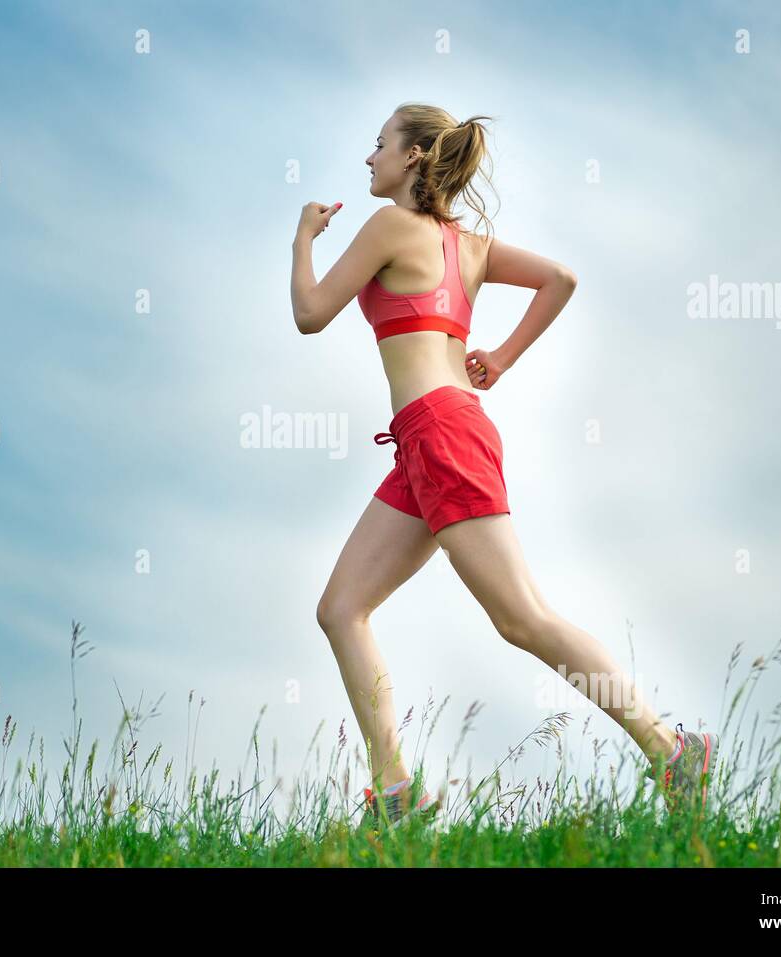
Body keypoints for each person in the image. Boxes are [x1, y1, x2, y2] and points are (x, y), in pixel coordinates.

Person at [288, 103, 719, 825]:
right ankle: (396, 794)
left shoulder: (391, 226)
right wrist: (504, 358)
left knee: (521, 617)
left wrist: (302, 238)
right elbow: (560, 277)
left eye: (379, 145)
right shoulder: (471, 247)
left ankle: (671, 749)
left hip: (442, 434)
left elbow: (310, 312)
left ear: (416, 156)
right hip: (431, 436)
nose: (369, 159)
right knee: (341, 609)